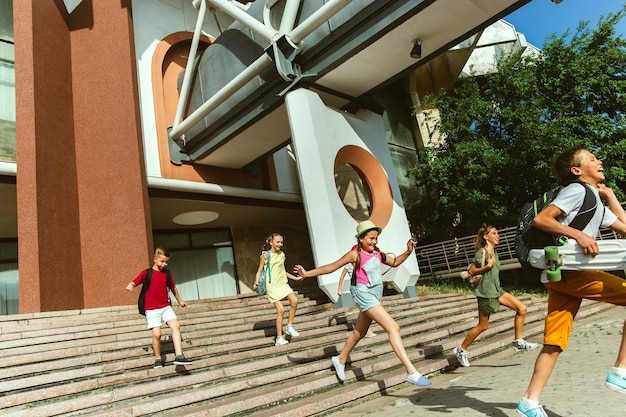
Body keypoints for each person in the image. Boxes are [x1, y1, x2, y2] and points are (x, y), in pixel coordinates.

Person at [516, 145, 626, 417]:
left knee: (554, 342)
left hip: (561, 275)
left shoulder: (594, 200)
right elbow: (543, 220)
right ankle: (620, 371)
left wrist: (611, 197)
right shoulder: (577, 190)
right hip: (572, 273)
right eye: (592, 158)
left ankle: (529, 402)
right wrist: (579, 236)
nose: (599, 160)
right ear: (577, 170)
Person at [294, 220, 431, 387]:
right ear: (360, 238)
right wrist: (307, 273)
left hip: (375, 293)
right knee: (393, 327)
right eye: (370, 238)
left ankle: (340, 359)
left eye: (375, 238)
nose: (374, 241)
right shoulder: (355, 255)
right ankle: (411, 372)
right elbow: (331, 267)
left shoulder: (377, 254)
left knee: (359, 333)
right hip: (363, 294)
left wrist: (408, 251)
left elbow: (394, 262)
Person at [453, 224, 538, 368]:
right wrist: (487, 266)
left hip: (497, 290)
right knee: (482, 326)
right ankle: (460, 350)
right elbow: (472, 271)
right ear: (486, 237)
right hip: (485, 293)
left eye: (497, 233)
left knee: (522, 308)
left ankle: (518, 341)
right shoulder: (481, 253)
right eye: (494, 233)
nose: (497, 236)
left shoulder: (495, 253)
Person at [125, 247, 192, 368]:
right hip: (151, 309)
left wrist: (180, 301)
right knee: (157, 335)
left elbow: (173, 288)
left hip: (165, 306)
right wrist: (130, 285)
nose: (164, 264)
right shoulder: (147, 273)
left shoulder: (167, 273)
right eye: (162, 261)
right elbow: (134, 281)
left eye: (166, 262)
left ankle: (179, 356)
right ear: (155, 259)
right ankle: (157, 358)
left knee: (176, 326)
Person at [253, 233, 304, 346]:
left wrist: (295, 278)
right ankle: (279, 338)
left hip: (282, 284)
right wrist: (256, 282)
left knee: (294, 301)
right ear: (271, 242)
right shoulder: (265, 255)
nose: (280, 244)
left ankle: (289, 326)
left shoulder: (282, 255)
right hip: (272, 286)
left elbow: (282, 271)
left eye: (281, 242)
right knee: (280, 310)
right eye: (278, 242)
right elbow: (259, 270)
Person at [338, 263, 377, 338]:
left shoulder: (361, 262)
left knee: (366, 308)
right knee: (364, 308)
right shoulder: (349, 265)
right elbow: (342, 276)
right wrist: (340, 289)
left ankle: (363, 329)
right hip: (355, 288)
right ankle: (365, 330)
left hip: (363, 287)